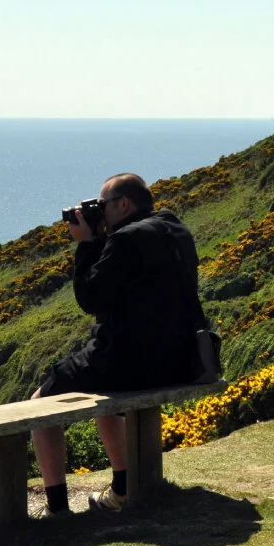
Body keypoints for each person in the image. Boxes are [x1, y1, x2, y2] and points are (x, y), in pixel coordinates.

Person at [31, 172, 206, 518]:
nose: (101, 213)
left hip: (131, 365)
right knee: (107, 404)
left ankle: (56, 508)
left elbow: (91, 299)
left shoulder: (125, 241)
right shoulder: (176, 229)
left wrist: (85, 244)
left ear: (124, 204)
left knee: (40, 405)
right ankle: (123, 490)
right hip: (183, 360)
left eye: (104, 205)